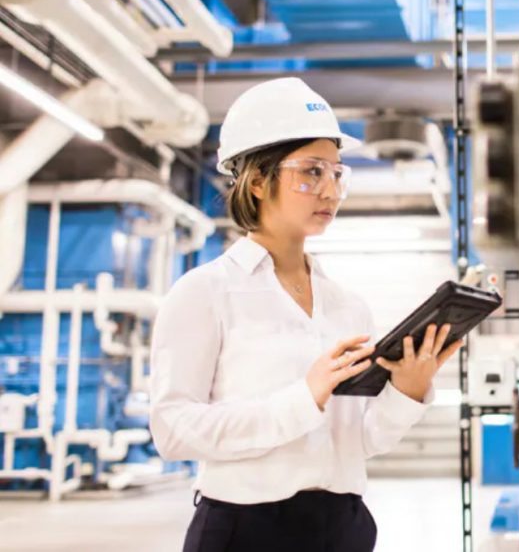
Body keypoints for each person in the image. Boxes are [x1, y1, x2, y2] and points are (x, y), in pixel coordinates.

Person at [148, 77, 463, 552]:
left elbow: (359, 440)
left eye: (337, 173)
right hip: (245, 531)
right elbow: (172, 430)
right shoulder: (205, 292)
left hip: (343, 526)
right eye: (311, 172)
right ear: (256, 180)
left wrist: (408, 391)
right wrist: (303, 399)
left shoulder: (345, 305)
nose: (330, 189)